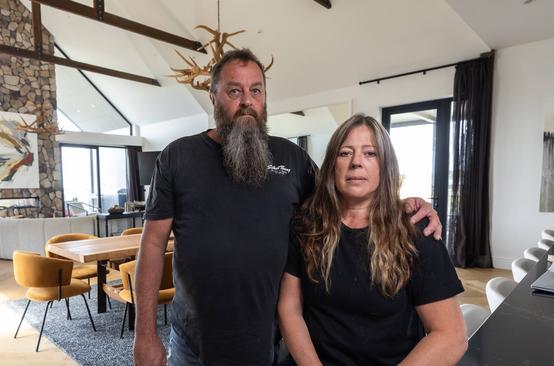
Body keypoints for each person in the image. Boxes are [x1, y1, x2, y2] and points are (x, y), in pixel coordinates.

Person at [133, 49, 442, 366]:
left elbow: (343, 198)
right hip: (193, 346)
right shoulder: (177, 158)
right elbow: (153, 244)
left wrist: (397, 205)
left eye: (256, 90)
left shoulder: (292, 159)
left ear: (264, 98)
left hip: (271, 341)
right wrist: (144, 333)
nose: (246, 101)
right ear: (213, 98)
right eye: (234, 91)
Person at [277, 114, 467, 366]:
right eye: (345, 153)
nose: (356, 162)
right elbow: (289, 309)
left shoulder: (414, 229)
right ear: (332, 164)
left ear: (385, 165)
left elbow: (451, 335)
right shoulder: (307, 225)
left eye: (370, 153)